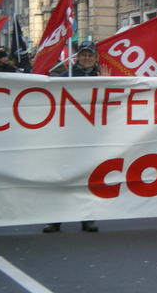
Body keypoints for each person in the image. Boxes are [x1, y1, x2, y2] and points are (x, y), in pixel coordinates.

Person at [43, 41, 104, 233]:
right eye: (83, 54)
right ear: (77, 57)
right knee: (63, 176)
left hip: (92, 135)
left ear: (95, 58)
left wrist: (108, 82)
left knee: (88, 178)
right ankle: (56, 219)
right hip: (67, 135)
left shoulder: (103, 77)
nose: (86, 58)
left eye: (90, 55)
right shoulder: (65, 76)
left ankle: (87, 218)